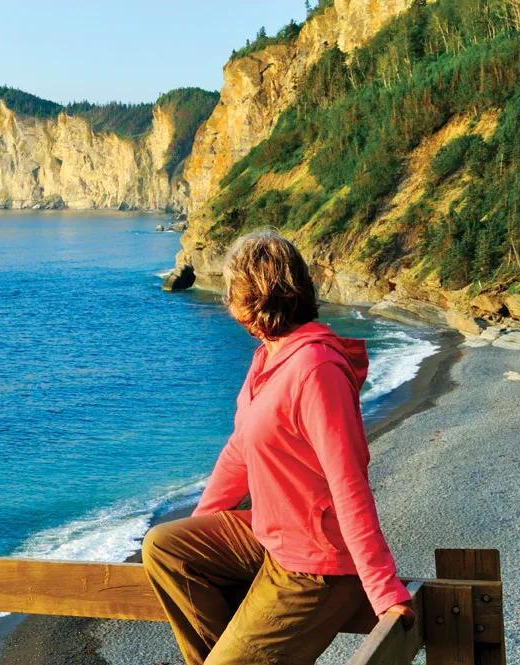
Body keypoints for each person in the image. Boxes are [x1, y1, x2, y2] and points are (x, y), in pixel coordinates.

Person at [142, 229, 414, 665]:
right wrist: (203, 528)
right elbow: (239, 451)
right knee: (166, 547)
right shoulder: (267, 357)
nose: (226, 299)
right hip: (271, 538)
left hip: (316, 565)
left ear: (252, 295)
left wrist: (382, 588)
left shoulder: (317, 369)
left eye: (232, 289)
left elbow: (348, 482)